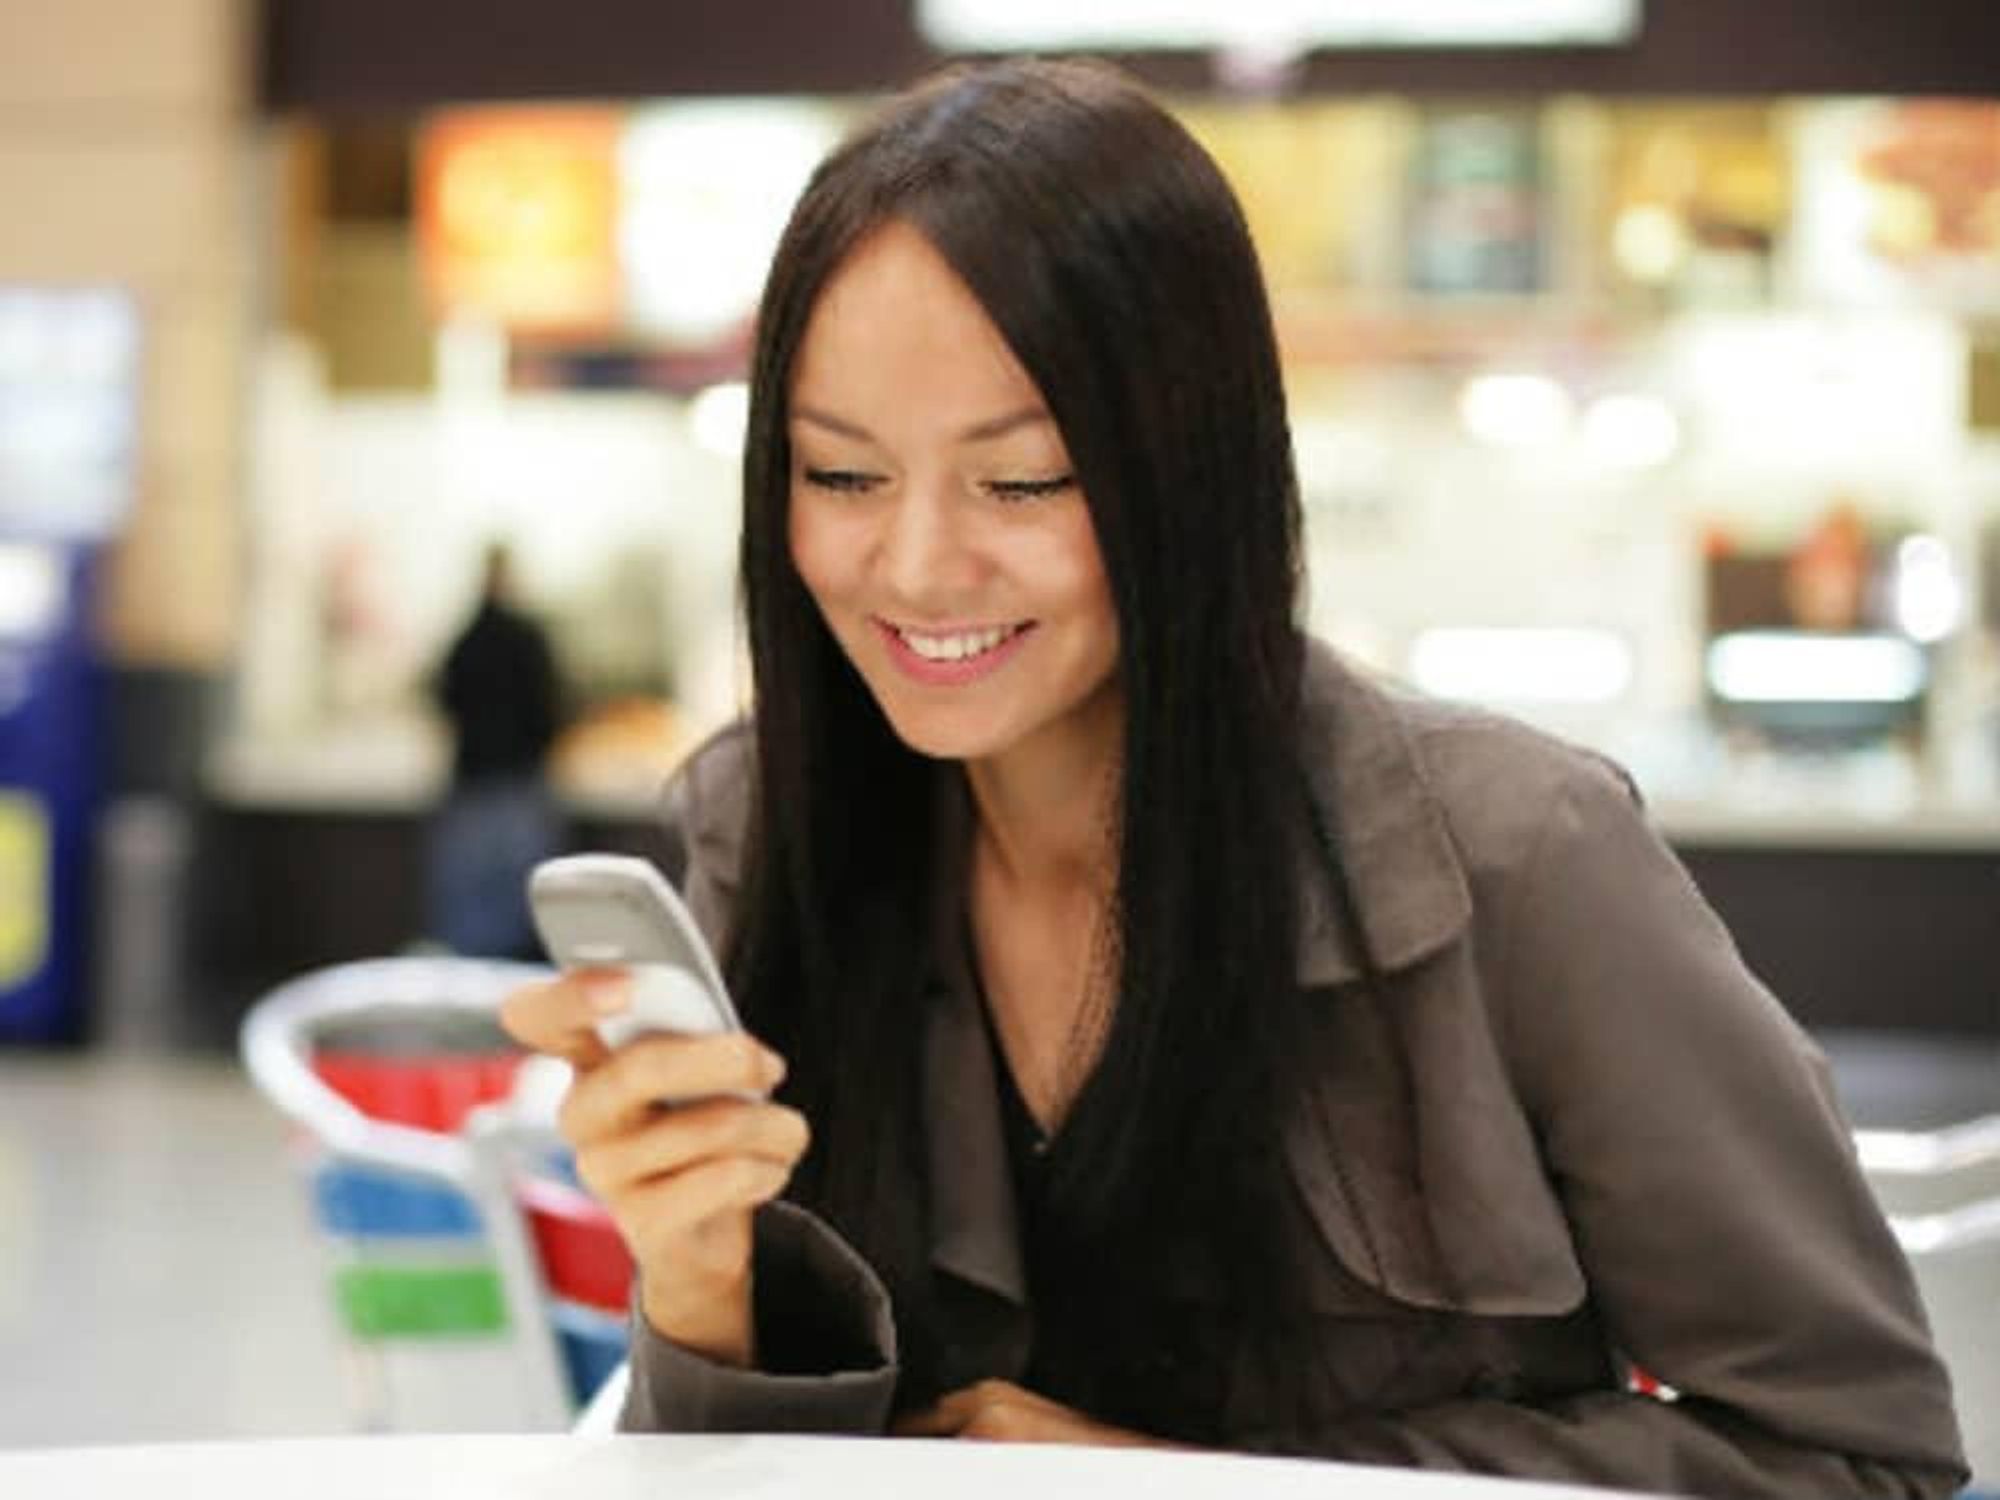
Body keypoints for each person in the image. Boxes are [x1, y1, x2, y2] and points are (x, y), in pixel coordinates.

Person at [501, 59, 1967, 1496]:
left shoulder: (1516, 859)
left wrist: (1189, 1486)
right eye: (840, 476)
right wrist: (697, 1278)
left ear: (1185, 466)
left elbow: (1849, 1456)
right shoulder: (762, 826)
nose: (917, 565)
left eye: (1022, 480)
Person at [429, 543, 562, 957]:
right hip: (519, 780)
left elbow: (443, 698)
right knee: (525, 900)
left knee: (471, 908)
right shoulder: (528, 637)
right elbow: (552, 704)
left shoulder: (465, 638)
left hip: (474, 779)